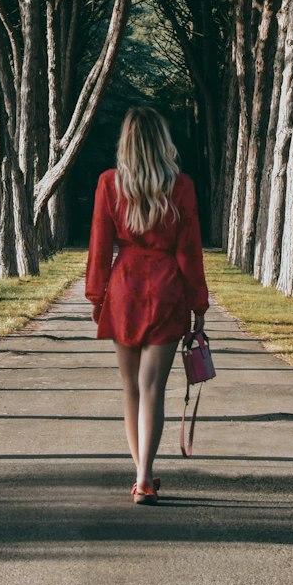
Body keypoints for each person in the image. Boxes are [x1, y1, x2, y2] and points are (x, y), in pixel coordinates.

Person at [85, 106, 209, 505]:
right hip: (167, 287)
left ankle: (142, 476)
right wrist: (198, 303)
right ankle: (144, 477)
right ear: (162, 143)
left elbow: (100, 247)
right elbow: (190, 252)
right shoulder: (182, 186)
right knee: (153, 387)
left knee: (130, 388)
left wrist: (96, 295)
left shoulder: (110, 184)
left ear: (127, 143)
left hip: (125, 289)